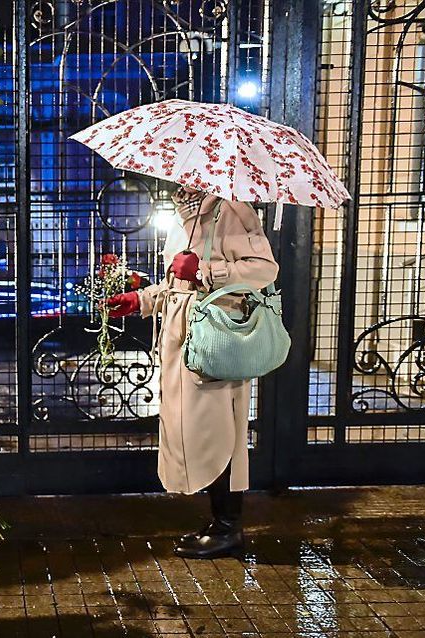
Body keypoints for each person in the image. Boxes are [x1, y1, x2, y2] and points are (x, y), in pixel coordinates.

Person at [106, 186, 278, 559]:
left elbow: (263, 269)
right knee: (196, 429)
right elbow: (177, 283)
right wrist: (141, 300)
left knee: (220, 431)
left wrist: (205, 270)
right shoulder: (187, 212)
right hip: (184, 337)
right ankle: (220, 522)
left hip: (215, 339)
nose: (174, 179)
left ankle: (229, 527)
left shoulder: (232, 208)